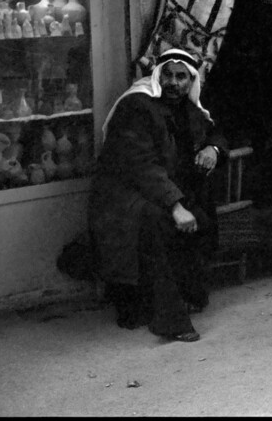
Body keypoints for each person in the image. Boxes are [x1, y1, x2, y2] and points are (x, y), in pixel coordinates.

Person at [88, 48, 228, 342]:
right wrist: (176, 206)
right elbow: (140, 165)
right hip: (124, 195)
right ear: (158, 75)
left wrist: (212, 150)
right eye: (168, 75)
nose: (174, 83)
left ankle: (185, 294)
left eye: (181, 77)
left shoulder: (187, 108)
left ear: (191, 82)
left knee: (200, 214)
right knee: (158, 222)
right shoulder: (137, 106)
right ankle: (171, 321)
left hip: (161, 190)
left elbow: (214, 131)